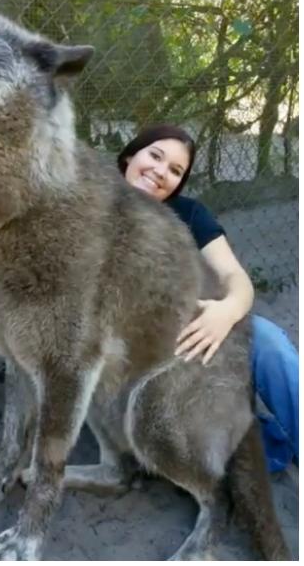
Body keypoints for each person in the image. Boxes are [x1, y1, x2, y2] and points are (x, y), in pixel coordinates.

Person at [117, 124, 298, 472]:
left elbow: (236, 278)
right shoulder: (87, 209)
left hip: (193, 329)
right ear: (129, 156)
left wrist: (227, 311)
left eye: (175, 170)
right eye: (155, 156)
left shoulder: (188, 214)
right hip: (133, 356)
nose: (160, 172)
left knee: (269, 341)